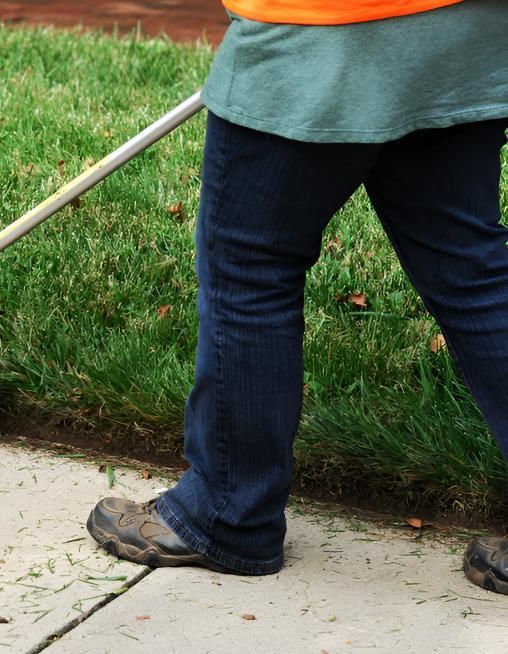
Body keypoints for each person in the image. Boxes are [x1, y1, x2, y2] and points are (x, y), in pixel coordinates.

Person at [86, 0, 508, 595]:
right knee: (476, 274)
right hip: (466, 28)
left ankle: (227, 515)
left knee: (250, 268)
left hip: (320, 29)